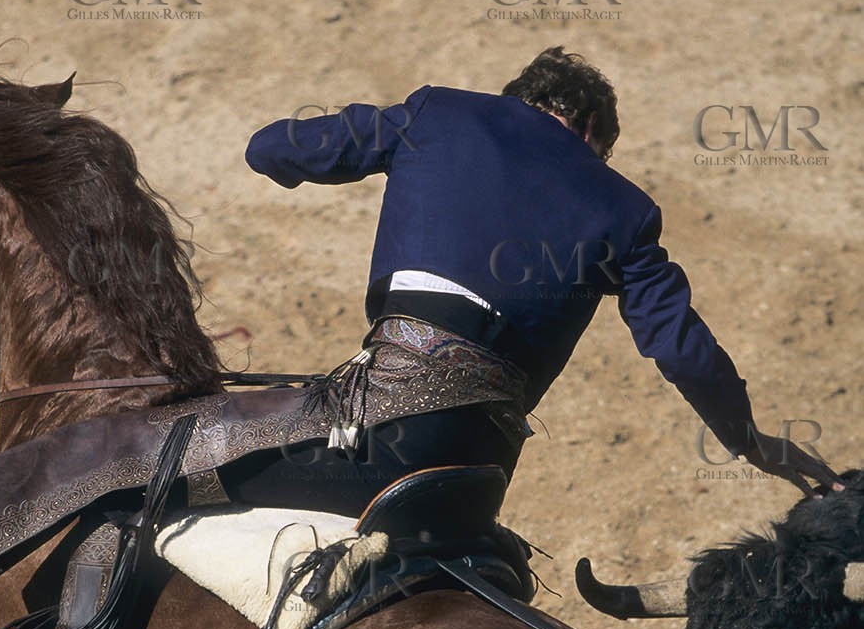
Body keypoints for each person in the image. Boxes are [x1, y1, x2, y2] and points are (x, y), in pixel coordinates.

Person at [239, 46, 840, 503]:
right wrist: (748, 441)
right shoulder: (628, 210)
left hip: (381, 403)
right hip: (482, 450)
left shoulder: (435, 113)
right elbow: (683, 349)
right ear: (589, 127)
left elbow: (271, 149)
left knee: (194, 479)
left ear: (518, 100)